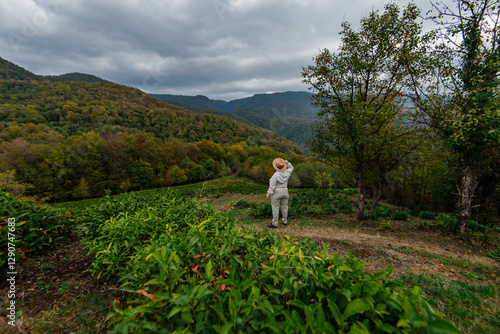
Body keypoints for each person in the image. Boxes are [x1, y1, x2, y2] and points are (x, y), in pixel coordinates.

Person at [266, 158, 294, 228]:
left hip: (277, 192)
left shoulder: (275, 176)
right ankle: (284, 221)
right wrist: (287, 163)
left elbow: (272, 187)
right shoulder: (287, 172)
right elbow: (292, 168)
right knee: (285, 207)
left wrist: (268, 194)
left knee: (275, 208)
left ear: (276, 166)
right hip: (285, 191)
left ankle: (275, 223)